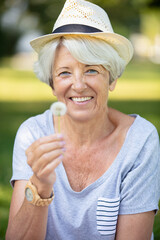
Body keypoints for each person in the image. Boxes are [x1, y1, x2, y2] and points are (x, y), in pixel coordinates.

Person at [6, 0, 160, 239]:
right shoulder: (33, 133)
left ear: (112, 79)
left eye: (91, 70)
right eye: (64, 72)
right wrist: (40, 185)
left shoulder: (140, 140)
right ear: (52, 84)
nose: (78, 85)